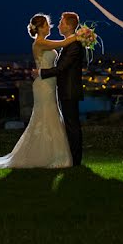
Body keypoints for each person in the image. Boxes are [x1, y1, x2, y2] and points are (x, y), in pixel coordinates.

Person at [0, 14, 77, 169]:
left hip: (49, 83)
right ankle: (48, 154)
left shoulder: (43, 42)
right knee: (46, 115)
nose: (50, 27)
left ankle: (53, 153)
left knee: (50, 115)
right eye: (48, 25)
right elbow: (64, 43)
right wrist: (81, 35)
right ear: (41, 28)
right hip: (44, 85)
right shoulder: (40, 43)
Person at [38, 11, 85, 166]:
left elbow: (62, 68)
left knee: (72, 125)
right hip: (66, 90)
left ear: (69, 26)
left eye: (61, 23)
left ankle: (76, 160)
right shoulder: (70, 43)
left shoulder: (74, 46)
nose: (59, 25)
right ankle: (72, 158)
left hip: (70, 91)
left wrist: (41, 73)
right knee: (71, 124)